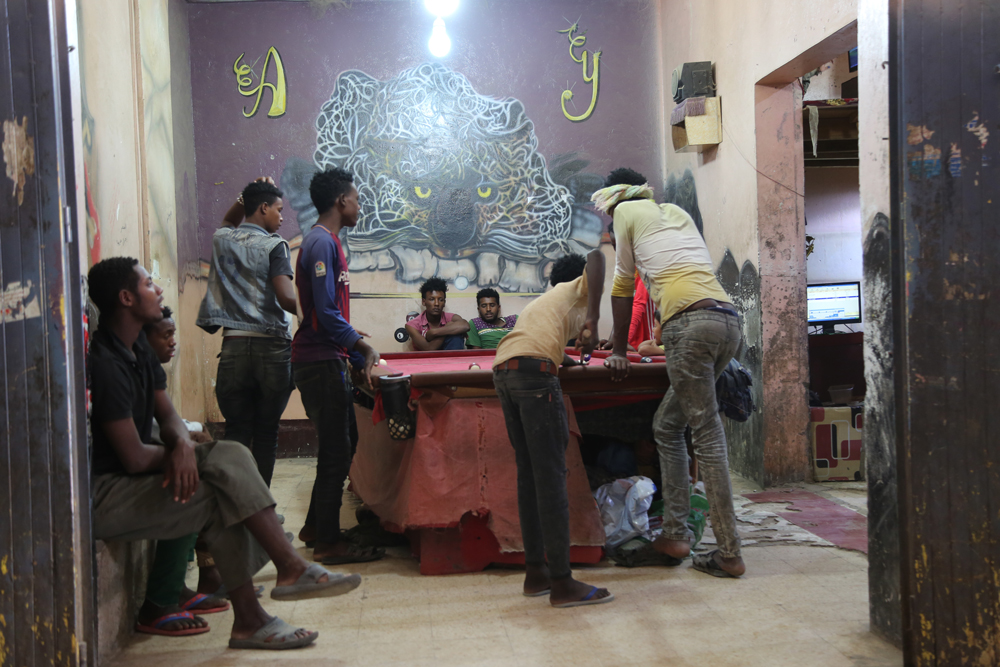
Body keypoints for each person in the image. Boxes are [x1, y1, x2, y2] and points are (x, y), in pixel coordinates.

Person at [88, 256, 361, 650]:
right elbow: (132, 458)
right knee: (228, 458)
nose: (159, 289)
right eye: (149, 284)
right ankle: (283, 574)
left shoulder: (139, 351)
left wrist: (181, 442)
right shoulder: (106, 362)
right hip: (109, 496)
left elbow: (168, 417)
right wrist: (178, 453)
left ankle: (254, 617)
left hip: (136, 480)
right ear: (127, 298)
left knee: (224, 480)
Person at [595, 167, 745, 578]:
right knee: (667, 424)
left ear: (614, 205)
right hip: (727, 320)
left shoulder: (625, 213)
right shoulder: (674, 212)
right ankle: (675, 535)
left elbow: (624, 284)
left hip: (688, 326)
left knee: (707, 435)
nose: (609, 230)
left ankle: (729, 552)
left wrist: (621, 350)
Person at [492, 250, 614, 608]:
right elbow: (596, 256)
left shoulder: (546, 302)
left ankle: (536, 573)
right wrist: (593, 316)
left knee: (530, 477)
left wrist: (570, 352)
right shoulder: (578, 287)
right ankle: (562, 582)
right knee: (550, 478)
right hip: (534, 375)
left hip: (505, 370)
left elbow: (547, 342)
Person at [291, 167, 384, 565]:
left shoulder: (326, 242)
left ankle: (317, 526)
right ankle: (327, 543)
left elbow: (324, 312)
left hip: (327, 355)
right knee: (336, 449)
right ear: (341, 201)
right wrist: (361, 345)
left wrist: (350, 339)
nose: (359, 206)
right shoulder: (320, 244)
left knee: (343, 442)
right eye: (357, 199)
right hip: (318, 360)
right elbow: (326, 314)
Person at [196, 177, 297, 488]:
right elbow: (285, 298)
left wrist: (244, 196)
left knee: (237, 432)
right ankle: (261, 508)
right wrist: (318, 308)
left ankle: (236, 508)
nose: (282, 218)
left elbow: (229, 220)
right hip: (272, 351)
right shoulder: (274, 246)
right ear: (264, 208)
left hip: (233, 348)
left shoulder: (222, 238)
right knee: (266, 432)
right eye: (279, 210)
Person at [404, 277, 469, 351]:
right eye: (432, 299)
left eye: (440, 300)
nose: (437, 303)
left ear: (444, 302)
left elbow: (465, 326)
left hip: (450, 359)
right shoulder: (412, 325)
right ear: (424, 302)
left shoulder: (452, 318)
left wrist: (433, 333)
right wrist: (448, 328)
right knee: (455, 332)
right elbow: (428, 348)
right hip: (425, 361)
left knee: (456, 337)